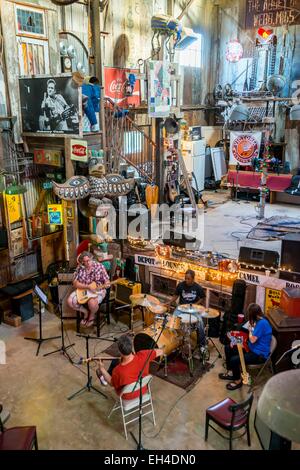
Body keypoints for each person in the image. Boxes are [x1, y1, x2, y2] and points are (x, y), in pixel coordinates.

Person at [219, 303, 272, 391]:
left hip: (259, 354)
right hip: (252, 348)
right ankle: (231, 372)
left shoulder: (262, 323)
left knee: (234, 360)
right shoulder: (258, 320)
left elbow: (252, 340)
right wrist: (234, 339)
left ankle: (238, 381)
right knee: (228, 348)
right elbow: (248, 339)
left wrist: (250, 329)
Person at [96, 335, 164, 392]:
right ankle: (103, 378)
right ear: (131, 346)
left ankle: (103, 378)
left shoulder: (118, 370)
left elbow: (111, 383)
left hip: (127, 395)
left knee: (114, 364)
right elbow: (161, 351)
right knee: (115, 362)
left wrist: (102, 368)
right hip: (142, 390)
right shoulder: (144, 355)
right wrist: (149, 352)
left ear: (120, 351)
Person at [164, 270, 206, 352]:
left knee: (200, 323)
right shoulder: (180, 285)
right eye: (185, 278)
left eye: (188, 279)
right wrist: (169, 302)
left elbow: (202, 297)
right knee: (173, 320)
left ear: (193, 279)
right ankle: (172, 343)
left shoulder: (198, 287)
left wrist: (196, 305)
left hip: (193, 309)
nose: (186, 280)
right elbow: (175, 296)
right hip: (181, 307)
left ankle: (202, 345)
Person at [67, 251, 110, 328]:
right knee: (70, 301)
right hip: (84, 289)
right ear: (82, 262)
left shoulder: (99, 266)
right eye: (85, 261)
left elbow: (107, 281)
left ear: (91, 258)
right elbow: (75, 283)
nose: (88, 263)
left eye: (89, 260)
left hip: (98, 290)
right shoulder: (80, 268)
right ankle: (85, 312)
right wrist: (88, 287)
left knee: (92, 303)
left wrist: (107, 284)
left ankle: (91, 316)